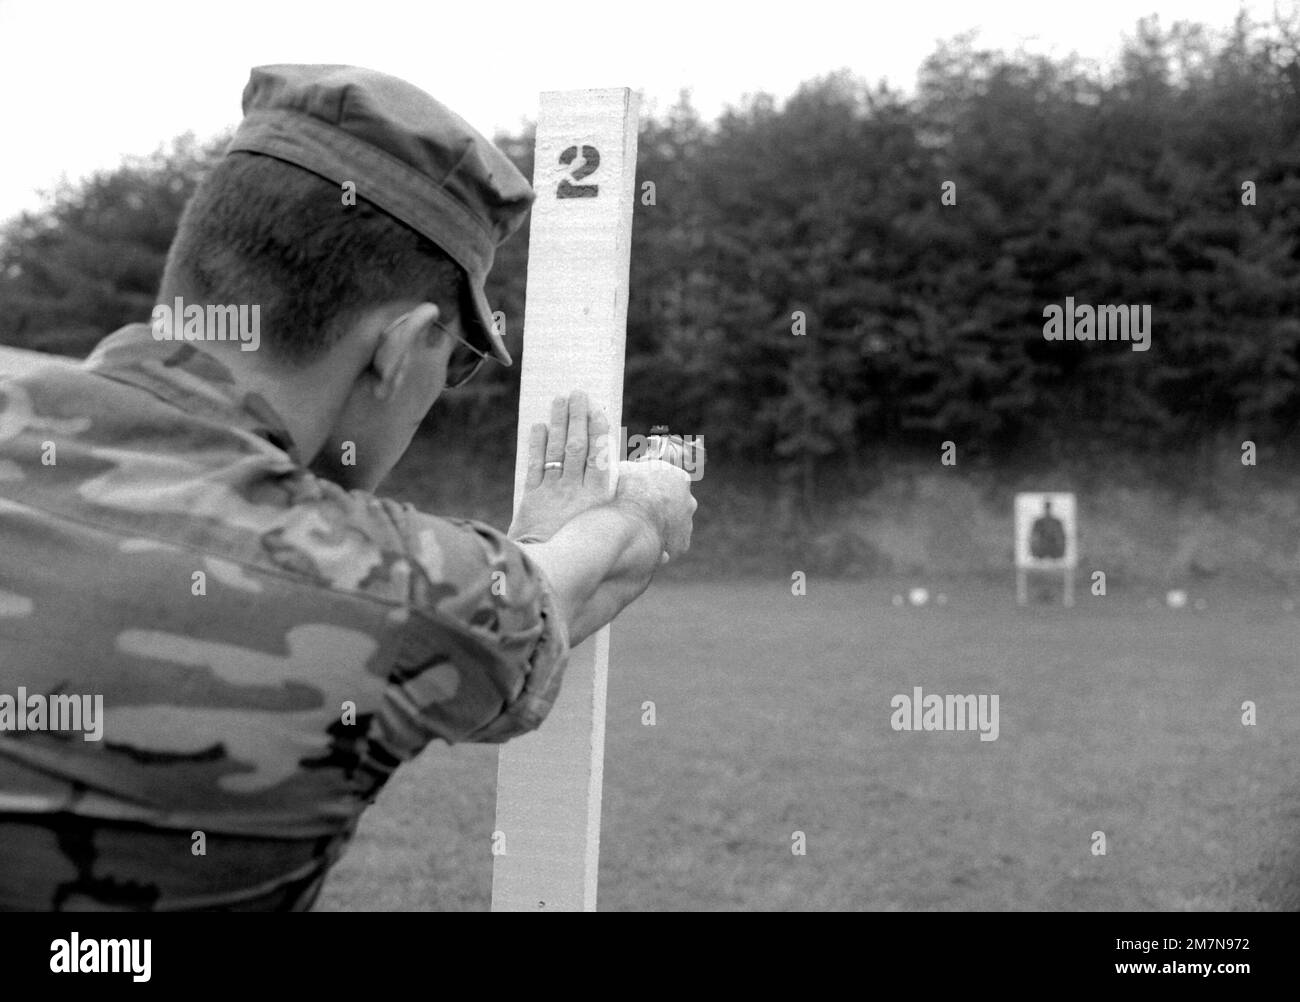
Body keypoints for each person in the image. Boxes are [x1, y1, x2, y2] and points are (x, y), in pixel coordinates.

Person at [0, 64, 696, 910]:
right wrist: (645, 505)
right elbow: (570, 585)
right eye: (456, 361)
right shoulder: (392, 590)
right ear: (399, 349)